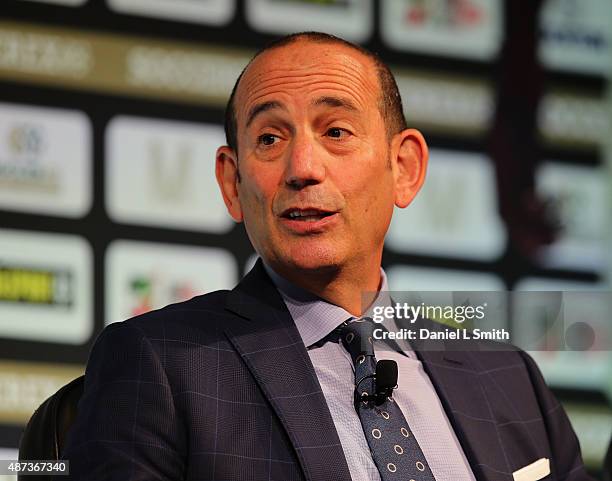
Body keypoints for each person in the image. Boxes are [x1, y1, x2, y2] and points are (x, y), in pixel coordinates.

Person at [60, 32, 593, 480]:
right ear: (232, 182)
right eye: (269, 139)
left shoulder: (507, 375)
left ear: (404, 168)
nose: (303, 166)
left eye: (336, 131)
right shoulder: (163, 362)